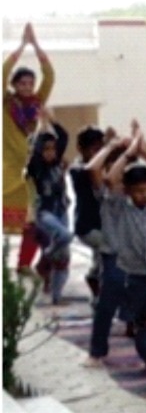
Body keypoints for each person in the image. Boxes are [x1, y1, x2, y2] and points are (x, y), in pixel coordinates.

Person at [86, 128, 146, 374]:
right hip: (116, 259)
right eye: (139, 191)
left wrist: (144, 149)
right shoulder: (116, 200)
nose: (145, 195)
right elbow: (98, 173)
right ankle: (97, 350)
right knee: (107, 304)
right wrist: (120, 151)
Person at [4, 24, 54, 268]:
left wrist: (36, 45)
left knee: (31, 224)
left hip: (28, 174)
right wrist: (22, 45)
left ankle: (24, 265)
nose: (27, 87)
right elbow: (3, 71)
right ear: (14, 85)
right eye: (22, 83)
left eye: (30, 83)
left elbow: (50, 76)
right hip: (7, 170)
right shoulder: (6, 103)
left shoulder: (37, 103)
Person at [26, 115, 73, 305]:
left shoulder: (57, 162)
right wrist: (40, 125)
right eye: (46, 149)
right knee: (65, 237)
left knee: (64, 258)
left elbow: (63, 135)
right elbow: (34, 148)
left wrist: (51, 119)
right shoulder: (36, 166)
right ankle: (45, 258)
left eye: (53, 149)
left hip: (61, 210)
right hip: (44, 213)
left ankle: (56, 296)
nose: (51, 152)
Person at [68, 127, 108, 299]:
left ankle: (96, 284)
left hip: (99, 224)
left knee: (101, 258)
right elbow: (93, 170)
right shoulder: (78, 169)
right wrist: (109, 149)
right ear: (80, 149)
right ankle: (96, 282)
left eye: (100, 149)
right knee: (111, 250)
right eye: (94, 149)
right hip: (87, 226)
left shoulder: (99, 166)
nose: (98, 154)